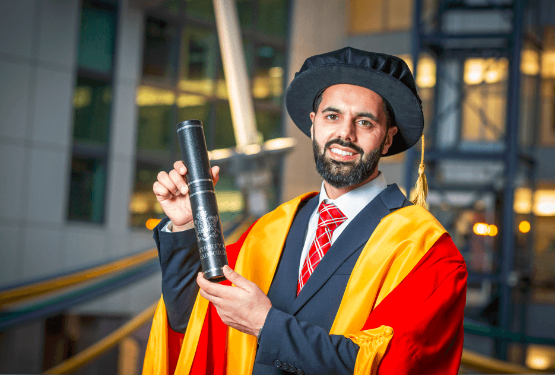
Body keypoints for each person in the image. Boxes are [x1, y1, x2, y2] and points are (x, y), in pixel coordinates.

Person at [143, 47, 467, 375]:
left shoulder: (424, 251)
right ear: (313, 125)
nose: (345, 134)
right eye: (332, 116)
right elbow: (195, 322)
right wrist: (185, 225)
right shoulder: (272, 230)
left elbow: (392, 365)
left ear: (386, 139)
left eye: (365, 122)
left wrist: (265, 325)